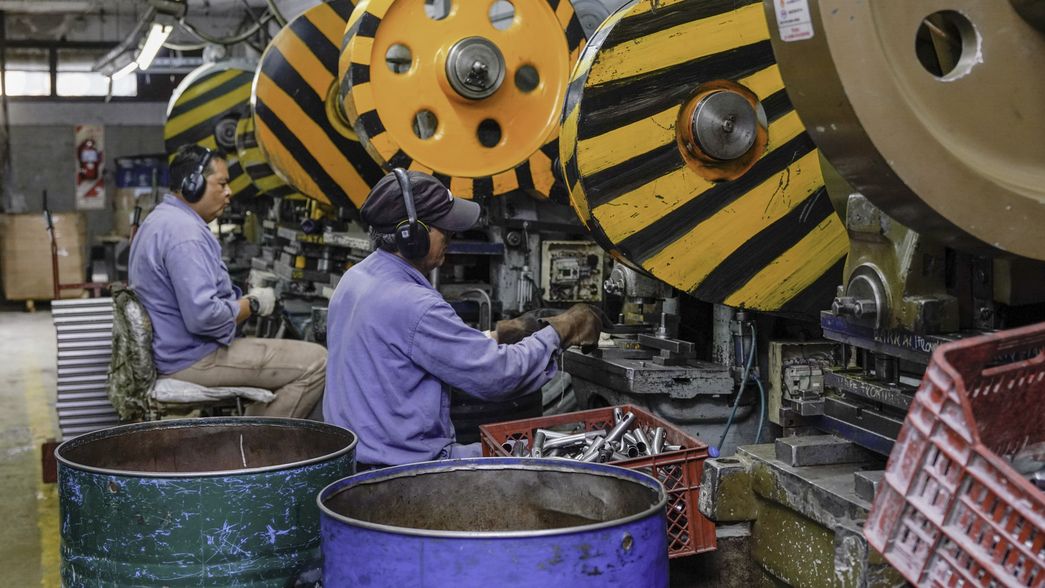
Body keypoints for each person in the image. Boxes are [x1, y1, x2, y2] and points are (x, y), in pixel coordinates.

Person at [324, 169, 602, 468]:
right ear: (412, 236)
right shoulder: (416, 304)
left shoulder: (356, 278)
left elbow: (406, 347)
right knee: (546, 464)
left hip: (353, 459)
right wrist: (563, 328)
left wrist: (498, 335)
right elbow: (501, 375)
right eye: (444, 227)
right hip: (404, 470)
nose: (451, 236)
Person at [128, 143, 326, 418]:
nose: (229, 192)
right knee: (318, 362)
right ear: (193, 185)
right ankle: (256, 442)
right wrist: (253, 304)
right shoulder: (185, 234)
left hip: (172, 351)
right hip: (192, 359)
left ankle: (246, 431)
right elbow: (204, 317)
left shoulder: (161, 219)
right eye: (222, 184)